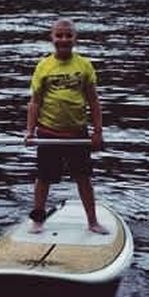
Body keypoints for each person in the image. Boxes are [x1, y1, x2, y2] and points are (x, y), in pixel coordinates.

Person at [24, 17, 108, 234]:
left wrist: (98, 131)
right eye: (59, 35)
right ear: (52, 38)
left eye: (68, 35)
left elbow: (93, 101)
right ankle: (38, 219)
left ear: (75, 38)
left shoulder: (84, 65)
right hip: (48, 133)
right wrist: (30, 131)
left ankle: (92, 221)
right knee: (43, 178)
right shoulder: (43, 66)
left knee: (83, 178)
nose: (63, 39)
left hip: (77, 134)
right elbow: (35, 102)